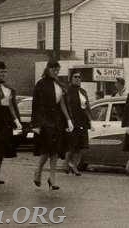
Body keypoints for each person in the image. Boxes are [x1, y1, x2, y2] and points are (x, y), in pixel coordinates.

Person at [32, 60, 73, 190]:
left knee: (54, 150)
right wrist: (36, 124)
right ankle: (38, 170)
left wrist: (68, 120)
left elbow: (62, 104)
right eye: (53, 69)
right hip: (45, 120)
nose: (56, 72)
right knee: (47, 149)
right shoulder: (41, 84)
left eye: (57, 70)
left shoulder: (58, 84)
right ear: (48, 69)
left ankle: (52, 179)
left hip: (57, 121)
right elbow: (36, 105)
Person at [65, 71, 94, 176]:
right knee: (72, 146)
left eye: (79, 77)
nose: (77, 79)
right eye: (75, 77)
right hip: (73, 121)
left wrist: (90, 119)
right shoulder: (68, 91)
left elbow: (87, 106)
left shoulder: (83, 91)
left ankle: (74, 165)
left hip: (83, 121)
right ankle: (67, 165)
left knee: (81, 147)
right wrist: (67, 121)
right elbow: (66, 106)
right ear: (71, 78)